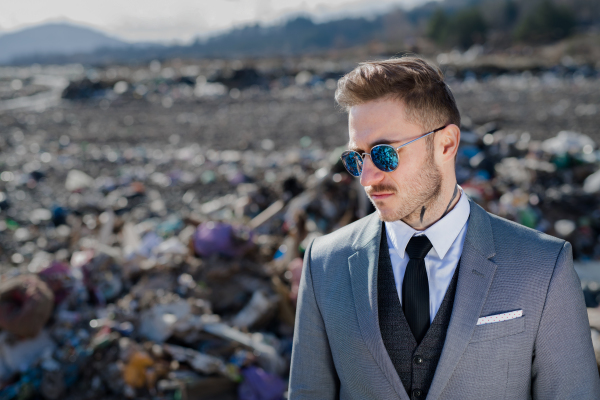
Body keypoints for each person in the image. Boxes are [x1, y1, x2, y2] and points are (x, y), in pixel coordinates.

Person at [288, 57, 600, 400]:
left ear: (446, 144)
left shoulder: (543, 265)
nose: (367, 178)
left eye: (384, 154)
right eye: (356, 158)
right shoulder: (324, 262)